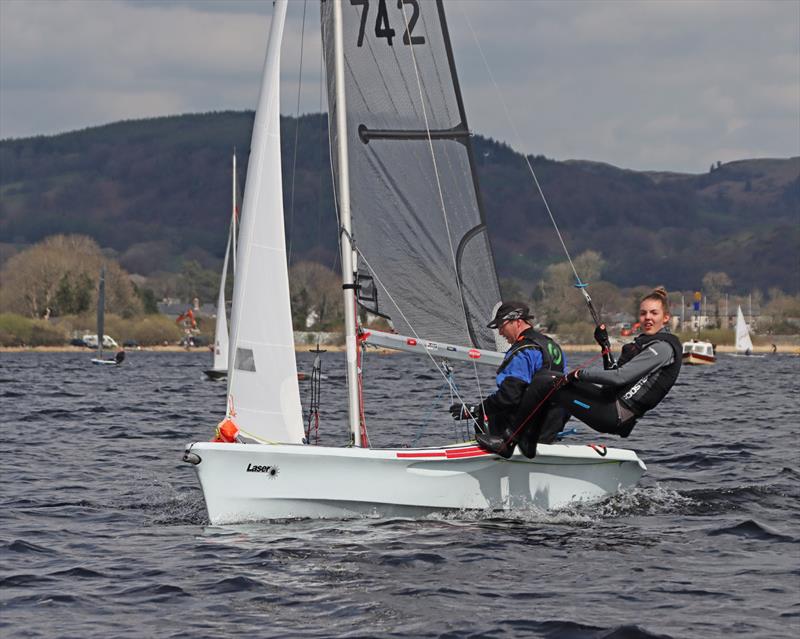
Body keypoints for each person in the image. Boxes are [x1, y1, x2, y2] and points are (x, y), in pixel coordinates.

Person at [505, 286, 682, 443]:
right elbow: (612, 378)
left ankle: (510, 441)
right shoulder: (646, 343)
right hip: (608, 403)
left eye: (654, 313)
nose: (647, 318)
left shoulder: (663, 348)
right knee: (550, 379)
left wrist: (579, 374)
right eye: (643, 313)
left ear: (665, 318)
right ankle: (541, 439)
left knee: (550, 384)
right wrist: (604, 346)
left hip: (614, 415)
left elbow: (620, 377)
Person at [449, 301, 567, 459]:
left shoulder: (522, 351)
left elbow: (509, 397)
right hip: (553, 423)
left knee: (488, 414)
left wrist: (476, 410)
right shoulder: (552, 346)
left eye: (501, 325)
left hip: (530, 427)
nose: (500, 332)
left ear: (517, 321)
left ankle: (490, 461)